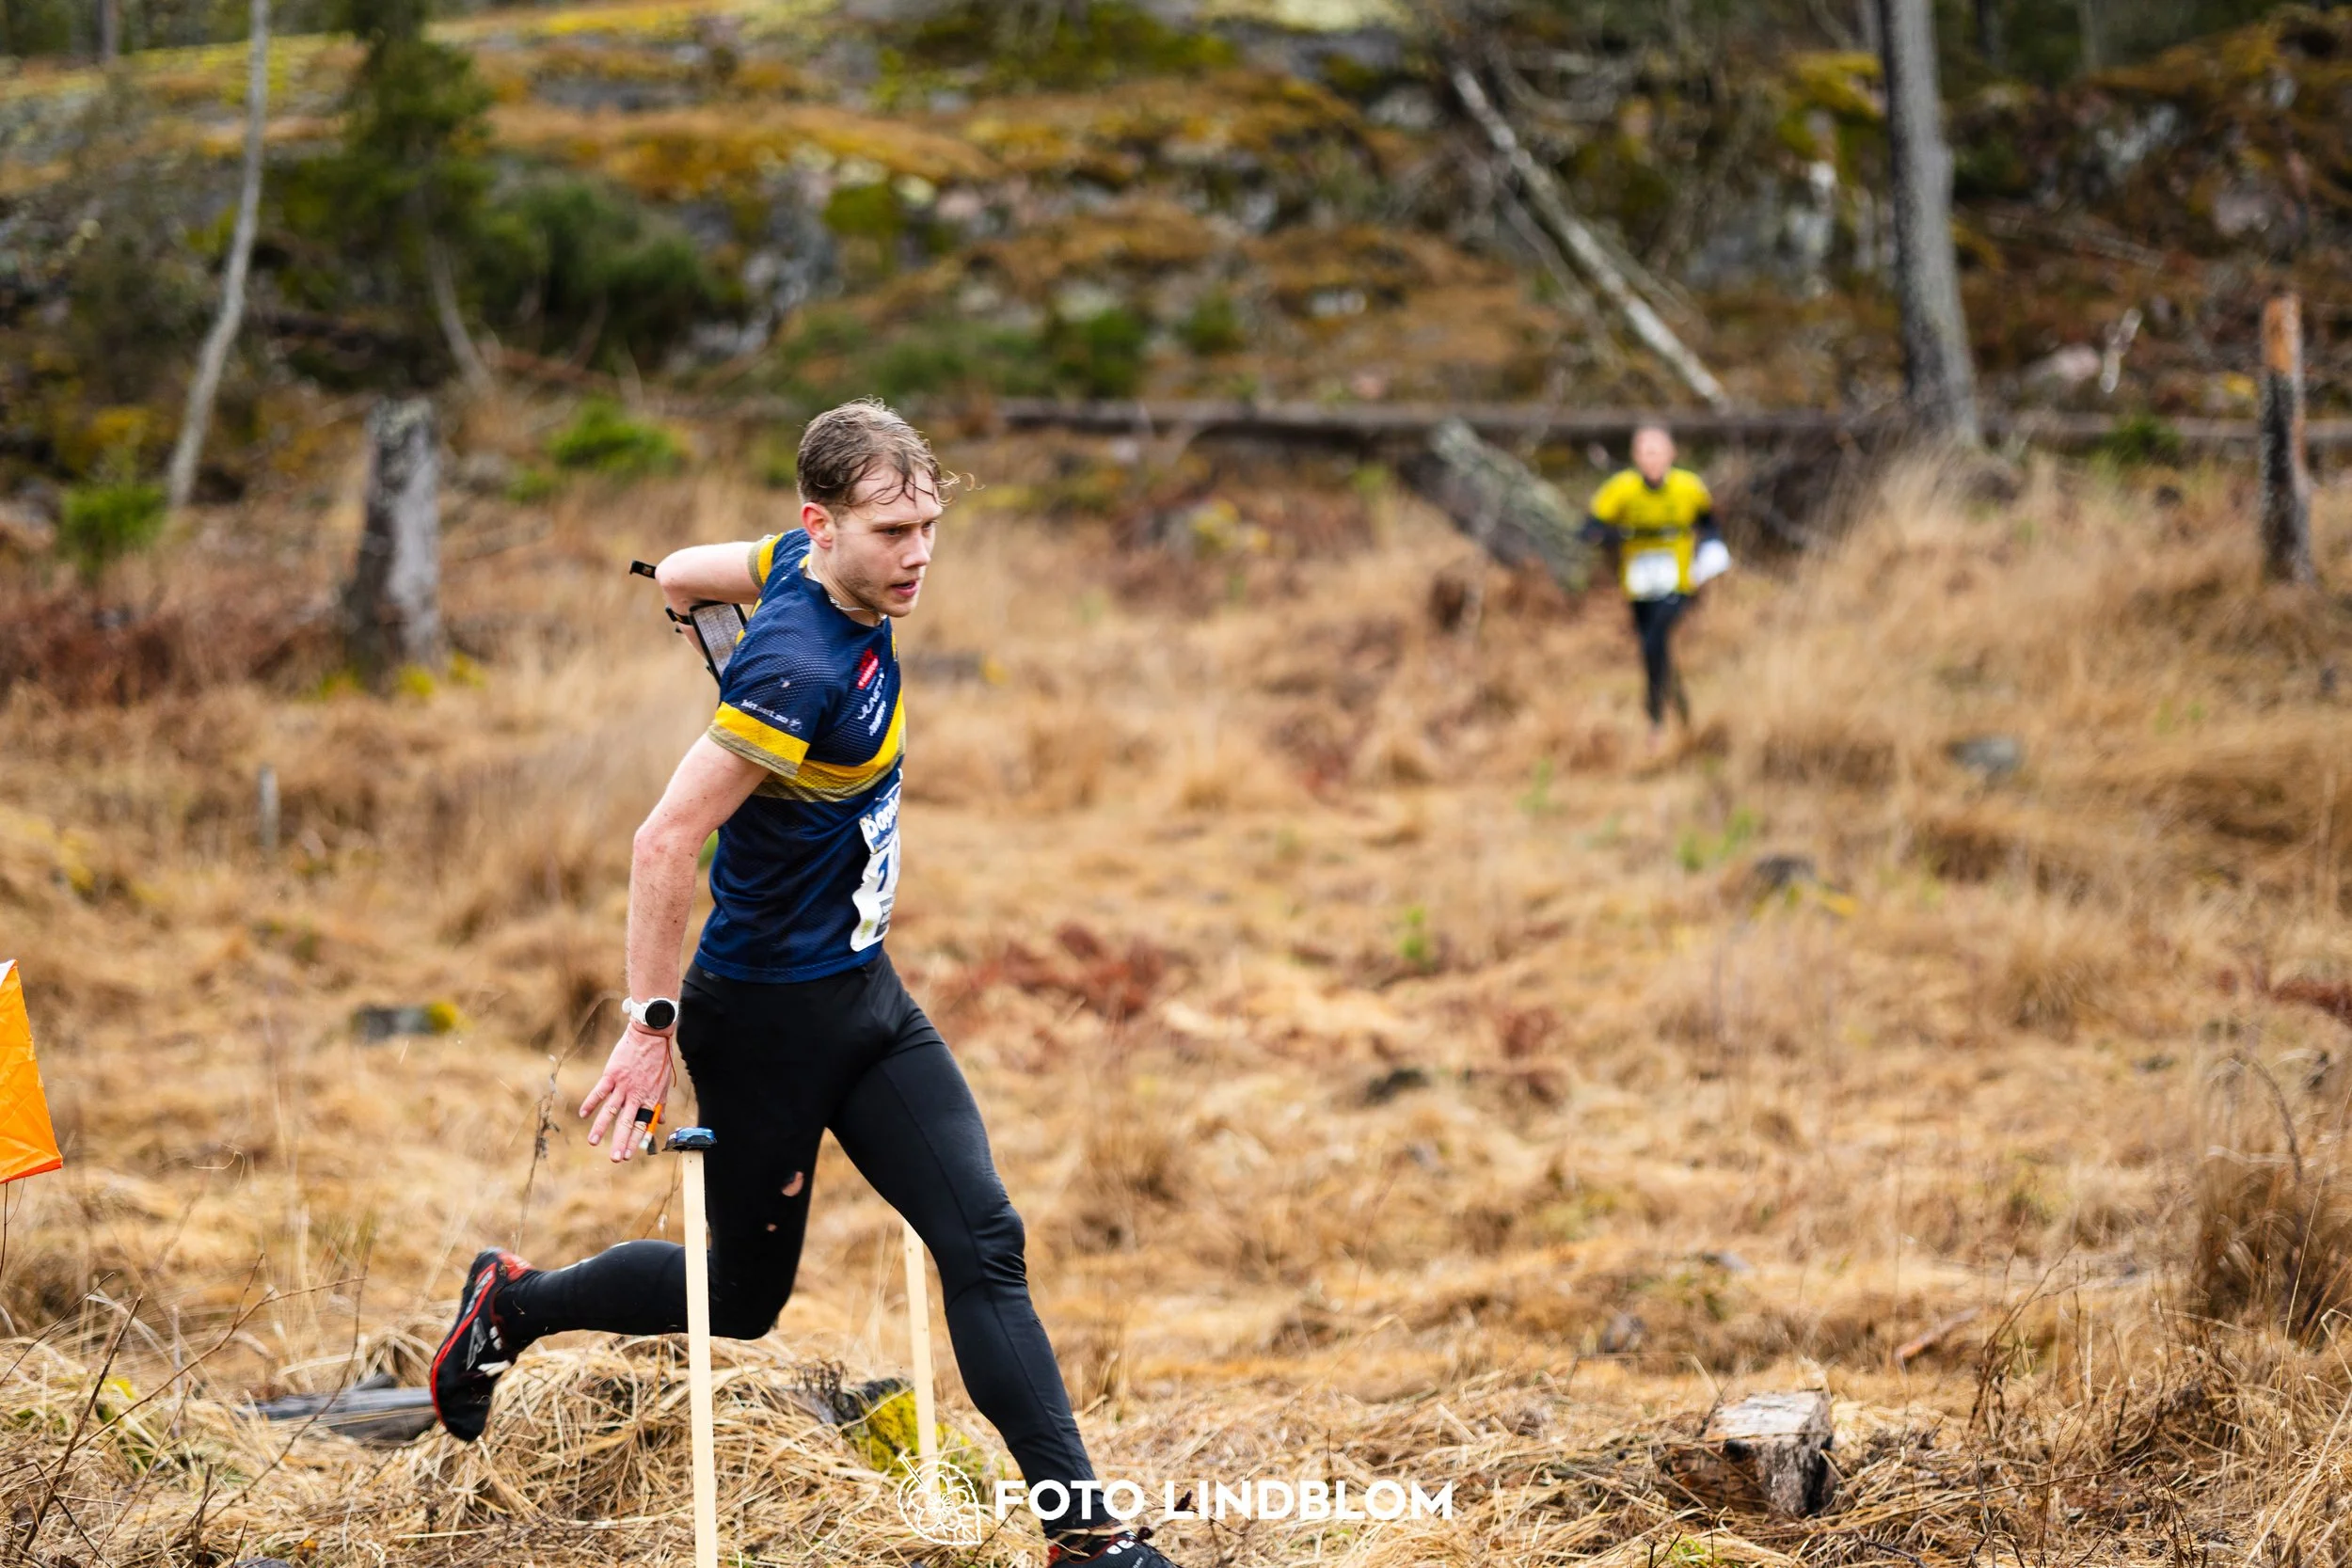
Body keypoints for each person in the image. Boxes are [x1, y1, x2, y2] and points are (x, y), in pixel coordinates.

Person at [429, 400, 1183, 1568]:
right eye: (892, 529)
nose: (918, 552)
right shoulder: (795, 661)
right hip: (760, 1019)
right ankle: (510, 1305)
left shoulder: (801, 564)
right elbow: (662, 842)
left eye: (929, 522)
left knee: (984, 1239)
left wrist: (688, 611)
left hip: (866, 1001)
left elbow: (679, 568)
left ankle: (1083, 1535)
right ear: (820, 523)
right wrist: (647, 1030)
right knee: (739, 1298)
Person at [1581, 423, 1730, 748]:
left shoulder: (1688, 487)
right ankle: (1681, 711)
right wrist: (1607, 535)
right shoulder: (1621, 488)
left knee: (1655, 639)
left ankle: (1655, 721)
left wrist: (1709, 556)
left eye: (1657, 451)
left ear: (1670, 454)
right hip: (1638, 585)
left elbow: (1711, 523)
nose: (1651, 459)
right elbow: (1591, 526)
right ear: (1635, 456)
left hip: (1678, 581)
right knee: (1654, 648)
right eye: (1645, 452)